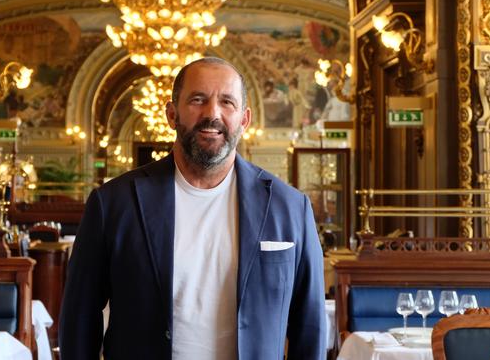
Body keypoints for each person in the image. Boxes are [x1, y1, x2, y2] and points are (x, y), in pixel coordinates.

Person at [58, 57, 326, 359]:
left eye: (227, 102)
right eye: (198, 100)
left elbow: (310, 325)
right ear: (172, 114)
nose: (212, 113)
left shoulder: (290, 208)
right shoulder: (113, 204)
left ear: (244, 120)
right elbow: (79, 317)